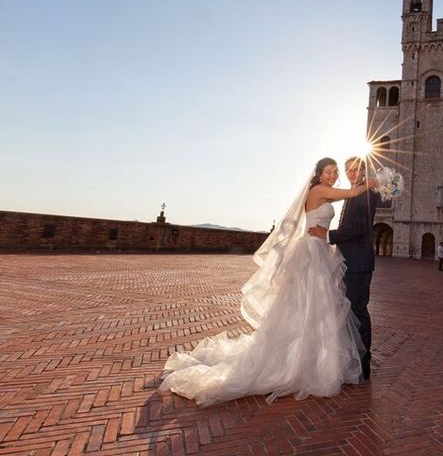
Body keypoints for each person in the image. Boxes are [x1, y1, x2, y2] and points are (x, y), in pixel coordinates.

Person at [159, 157, 374, 407]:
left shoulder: (327, 192)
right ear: (317, 174)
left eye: (335, 171)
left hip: (321, 252)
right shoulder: (318, 191)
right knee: (310, 306)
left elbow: (348, 196)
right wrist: (374, 182)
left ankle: (315, 359)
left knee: (318, 308)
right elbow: (351, 191)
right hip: (313, 253)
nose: (333, 174)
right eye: (329, 171)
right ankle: (304, 363)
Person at [313, 156, 381, 381]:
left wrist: (329, 235)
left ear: (363, 171)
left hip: (359, 262)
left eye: (355, 170)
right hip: (348, 261)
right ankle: (354, 359)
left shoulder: (368, 194)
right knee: (350, 310)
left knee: (358, 311)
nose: (352, 173)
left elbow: (360, 227)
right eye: (347, 170)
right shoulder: (355, 192)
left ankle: (363, 363)